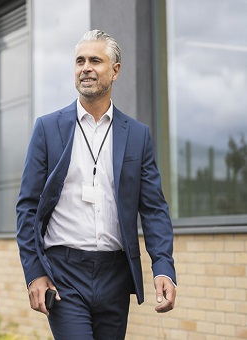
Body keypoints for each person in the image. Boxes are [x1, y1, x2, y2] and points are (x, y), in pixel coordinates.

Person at [16, 29, 176, 339]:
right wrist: (34, 272)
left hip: (116, 274)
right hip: (64, 273)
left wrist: (163, 266)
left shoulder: (137, 135)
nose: (85, 67)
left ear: (115, 70)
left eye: (95, 60)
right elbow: (27, 206)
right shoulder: (47, 128)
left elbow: (154, 208)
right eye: (79, 61)